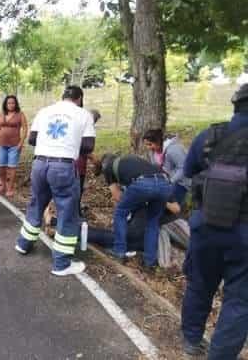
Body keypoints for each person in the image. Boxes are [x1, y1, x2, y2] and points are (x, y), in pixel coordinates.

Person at [180, 84, 248, 358]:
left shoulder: (209, 136)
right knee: (240, 300)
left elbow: (189, 171)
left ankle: (191, 341)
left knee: (200, 283)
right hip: (244, 235)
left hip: (205, 225)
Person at [15, 85, 95, 276]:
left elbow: (32, 139)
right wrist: (69, 142)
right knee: (67, 211)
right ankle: (61, 264)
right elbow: (89, 145)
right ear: (79, 98)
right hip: (63, 166)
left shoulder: (45, 111)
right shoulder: (83, 114)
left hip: (40, 164)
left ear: (63, 97)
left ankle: (23, 244)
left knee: (36, 204)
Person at [97, 154, 174, 267]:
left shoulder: (108, 167)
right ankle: (150, 261)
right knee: (152, 222)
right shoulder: (131, 160)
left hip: (144, 183)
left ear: (104, 164)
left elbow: (117, 196)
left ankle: (119, 251)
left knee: (120, 213)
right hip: (165, 183)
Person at [143, 129, 190, 205]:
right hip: (166, 179)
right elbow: (156, 167)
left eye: (150, 144)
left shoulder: (173, 150)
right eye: (146, 145)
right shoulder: (152, 152)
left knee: (167, 201)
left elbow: (184, 167)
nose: (148, 147)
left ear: (158, 142)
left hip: (181, 182)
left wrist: (171, 181)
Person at [0, 95, 28, 197]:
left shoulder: (20, 114)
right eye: (9, 103)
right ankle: (3, 185)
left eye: (13, 103)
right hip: (2, 145)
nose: (11, 105)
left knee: (12, 167)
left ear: (16, 104)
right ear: (5, 104)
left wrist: (21, 143)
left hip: (14, 145)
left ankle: (10, 188)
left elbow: (25, 129)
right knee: (2, 166)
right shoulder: (1, 114)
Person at [77, 109, 101, 216]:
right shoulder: (83, 128)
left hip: (79, 165)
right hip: (76, 165)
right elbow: (84, 148)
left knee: (78, 191)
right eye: (94, 120)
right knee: (76, 191)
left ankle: (76, 211)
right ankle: (75, 215)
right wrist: (95, 160)